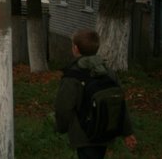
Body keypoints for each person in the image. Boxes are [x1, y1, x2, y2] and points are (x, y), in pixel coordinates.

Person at [55, 29, 138, 158]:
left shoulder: (72, 75)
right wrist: (127, 132)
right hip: (105, 129)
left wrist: (61, 127)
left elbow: (64, 106)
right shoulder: (109, 72)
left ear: (75, 49)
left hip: (83, 134)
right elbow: (120, 102)